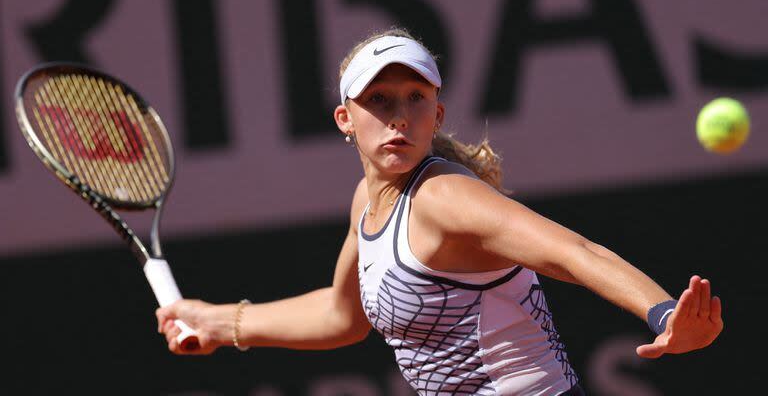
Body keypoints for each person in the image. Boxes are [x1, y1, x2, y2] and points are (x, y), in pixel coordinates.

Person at [157, 28, 723, 395]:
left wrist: (663, 313)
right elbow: (341, 316)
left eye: (415, 99)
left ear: (437, 112)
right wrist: (222, 321)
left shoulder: (446, 198)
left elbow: (573, 253)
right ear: (345, 120)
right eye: (378, 101)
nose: (399, 116)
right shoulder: (368, 203)